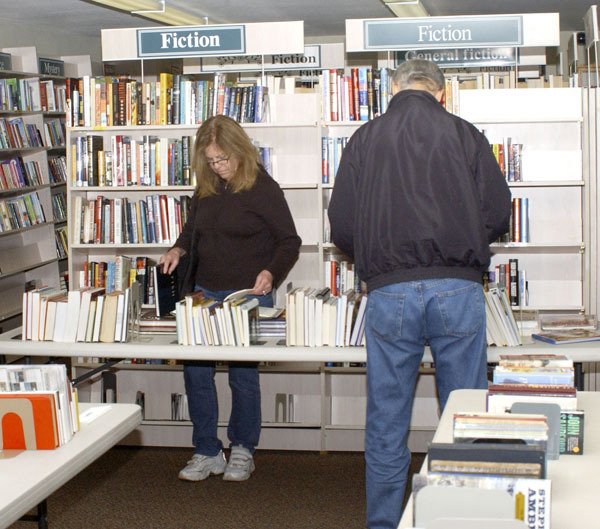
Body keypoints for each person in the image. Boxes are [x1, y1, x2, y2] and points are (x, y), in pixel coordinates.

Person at [327, 59, 512, 528]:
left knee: (387, 419)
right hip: (457, 287)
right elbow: (497, 211)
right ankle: (463, 518)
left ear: (393, 87)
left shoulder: (364, 138)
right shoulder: (466, 133)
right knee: (465, 414)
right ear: (442, 93)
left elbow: (342, 226)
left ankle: (385, 522)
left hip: (390, 292)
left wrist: (375, 250)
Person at [159, 114, 301, 482]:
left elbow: (289, 241)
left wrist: (271, 272)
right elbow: (193, 230)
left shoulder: (263, 188)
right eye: (211, 161)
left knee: (242, 374)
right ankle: (207, 450)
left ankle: (242, 449)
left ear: (240, 151)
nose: (218, 167)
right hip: (204, 293)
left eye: (223, 159)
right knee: (196, 373)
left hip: (247, 296)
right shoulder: (206, 186)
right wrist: (178, 248)